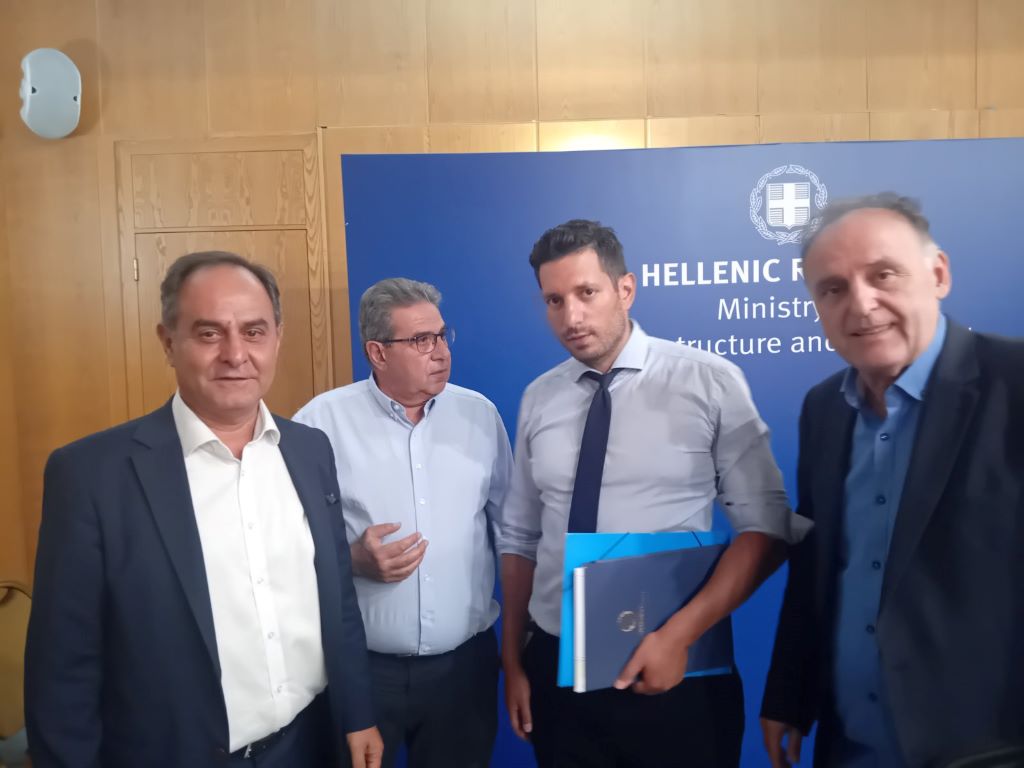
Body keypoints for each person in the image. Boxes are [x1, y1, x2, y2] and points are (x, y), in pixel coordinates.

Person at [25, 251, 382, 768]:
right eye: (209, 333)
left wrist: (358, 712)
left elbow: (337, 599)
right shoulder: (92, 475)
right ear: (168, 342)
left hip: (310, 744)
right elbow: (63, 666)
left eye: (254, 332)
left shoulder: (310, 450)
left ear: (277, 338)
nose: (236, 354)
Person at [499, 219, 811, 768]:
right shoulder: (539, 398)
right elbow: (521, 537)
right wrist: (513, 661)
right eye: (554, 300)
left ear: (626, 289)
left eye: (587, 293)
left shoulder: (708, 381)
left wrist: (677, 637)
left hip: (673, 663)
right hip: (555, 665)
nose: (571, 317)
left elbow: (766, 529)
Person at [760, 194, 1024, 768]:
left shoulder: (1014, 381)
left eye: (883, 275)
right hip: (854, 743)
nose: (861, 304)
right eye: (833, 289)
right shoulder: (823, 409)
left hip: (989, 748)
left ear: (938, 274)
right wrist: (789, 694)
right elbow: (818, 564)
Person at [294, 278, 512, 768]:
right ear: (377, 352)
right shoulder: (319, 423)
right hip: (363, 673)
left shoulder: (479, 416)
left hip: (463, 671)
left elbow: (511, 532)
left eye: (441, 335)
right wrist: (350, 559)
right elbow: (281, 544)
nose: (441, 352)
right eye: (420, 340)